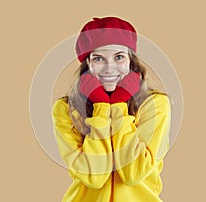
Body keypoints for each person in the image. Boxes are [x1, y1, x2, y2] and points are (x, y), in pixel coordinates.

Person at [52, 16, 171, 202]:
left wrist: (118, 107)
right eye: (98, 58)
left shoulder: (155, 104)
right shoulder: (66, 109)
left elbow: (134, 173)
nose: (109, 68)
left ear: (131, 61)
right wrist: (101, 107)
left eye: (119, 57)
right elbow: (94, 177)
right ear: (88, 64)